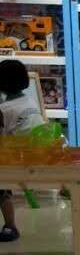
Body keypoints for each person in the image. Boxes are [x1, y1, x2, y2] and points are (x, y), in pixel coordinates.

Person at [0, 59, 43, 243]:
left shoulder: (4, 109)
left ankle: (10, 225)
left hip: (23, 157)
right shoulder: (29, 100)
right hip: (43, 151)